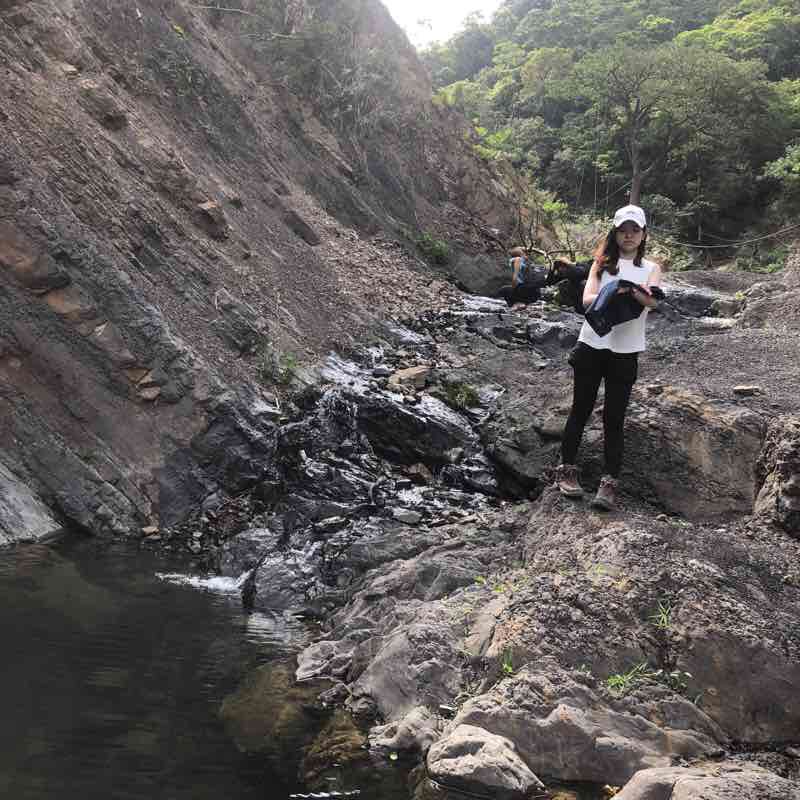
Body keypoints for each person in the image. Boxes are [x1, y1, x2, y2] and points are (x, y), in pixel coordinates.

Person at [555, 204, 662, 510]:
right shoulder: (600, 264)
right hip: (591, 345)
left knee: (614, 418)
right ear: (614, 233)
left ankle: (609, 483)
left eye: (635, 230)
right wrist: (614, 288)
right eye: (623, 230)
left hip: (625, 352)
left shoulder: (650, 268)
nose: (628, 236)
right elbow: (588, 300)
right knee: (580, 410)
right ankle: (566, 471)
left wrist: (628, 291)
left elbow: (652, 301)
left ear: (643, 234)